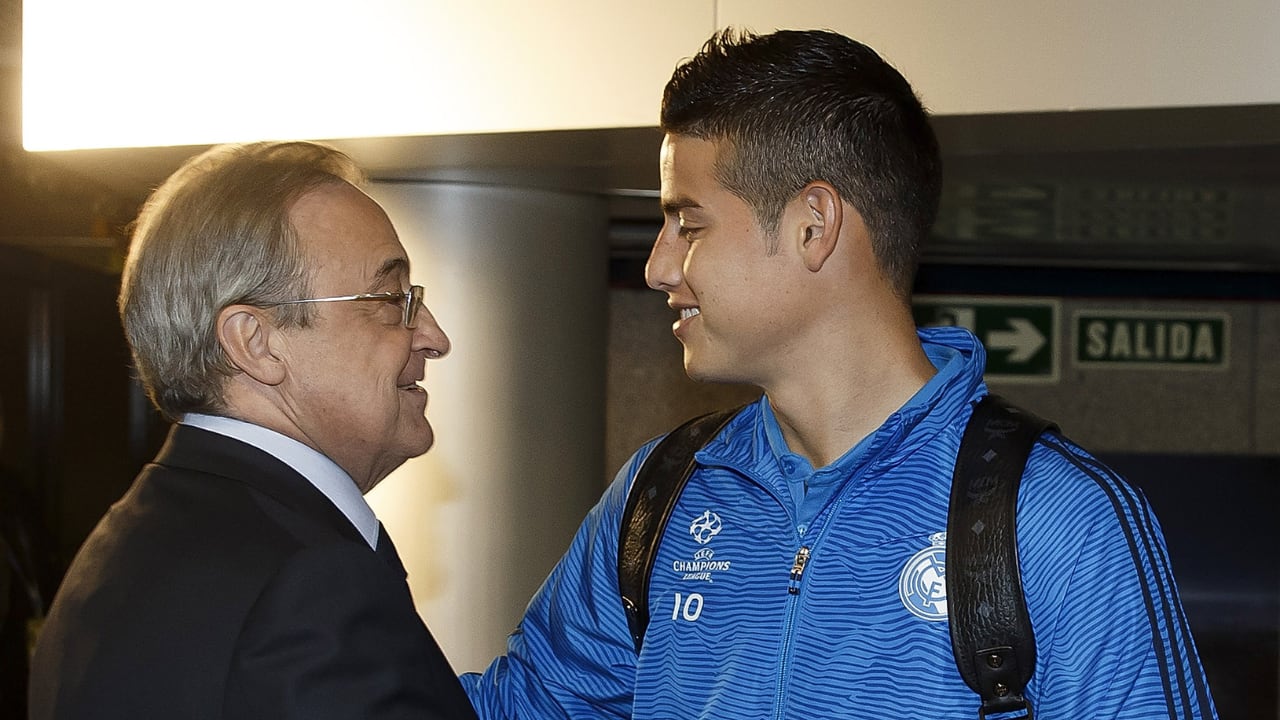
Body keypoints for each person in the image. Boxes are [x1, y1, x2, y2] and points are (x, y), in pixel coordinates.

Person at [459, 28, 1218, 719]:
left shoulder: (1059, 523)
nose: (658, 268)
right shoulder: (660, 498)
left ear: (813, 227)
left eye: (687, 224)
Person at [28, 141, 478, 720]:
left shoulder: (120, 550)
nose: (434, 337)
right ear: (256, 343)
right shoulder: (312, 583)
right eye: (391, 299)